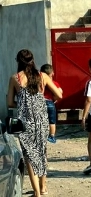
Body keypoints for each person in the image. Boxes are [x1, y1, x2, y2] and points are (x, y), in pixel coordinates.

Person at [7, 49, 63, 197]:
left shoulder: (15, 78)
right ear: (32, 61)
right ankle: (43, 187)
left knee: (29, 157)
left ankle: (37, 192)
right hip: (42, 120)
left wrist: (22, 104)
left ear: (18, 61)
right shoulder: (42, 76)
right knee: (42, 153)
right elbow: (58, 94)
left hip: (26, 122)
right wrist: (41, 102)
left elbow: (9, 103)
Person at [40, 64, 63, 143]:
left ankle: (42, 135)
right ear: (52, 73)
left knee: (41, 119)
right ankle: (52, 136)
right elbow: (60, 92)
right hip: (50, 102)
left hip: (41, 102)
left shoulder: (40, 82)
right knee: (52, 121)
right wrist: (54, 99)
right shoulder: (54, 83)